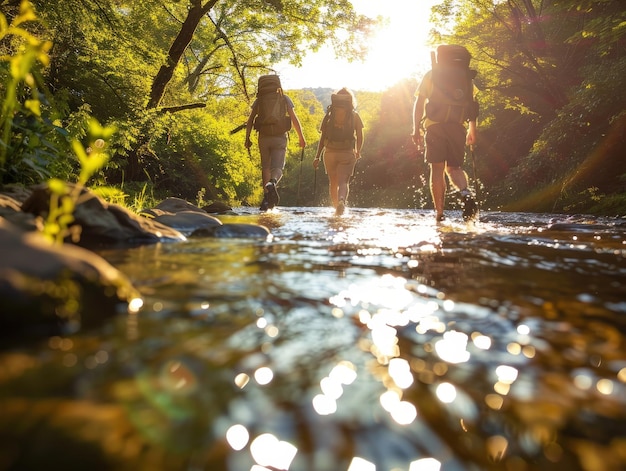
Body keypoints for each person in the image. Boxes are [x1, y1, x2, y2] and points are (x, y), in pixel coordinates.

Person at [411, 45, 478, 223]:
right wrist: (472, 130)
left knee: (437, 169)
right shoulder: (466, 78)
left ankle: (440, 213)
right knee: (454, 168)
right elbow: (472, 106)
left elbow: (419, 103)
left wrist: (415, 128)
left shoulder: (432, 74)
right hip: (458, 127)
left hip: (435, 126)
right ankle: (466, 193)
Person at [245, 75, 306, 211]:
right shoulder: (284, 99)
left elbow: (250, 121)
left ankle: (266, 199)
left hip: (264, 137)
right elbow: (294, 119)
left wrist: (247, 137)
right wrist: (301, 137)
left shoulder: (259, 101)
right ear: (278, 86)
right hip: (279, 137)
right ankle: (272, 182)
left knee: (265, 167)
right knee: (278, 167)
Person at [313, 87, 364, 216]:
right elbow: (360, 135)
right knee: (343, 181)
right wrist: (358, 150)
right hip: (347, 152)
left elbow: (323, 137)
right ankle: (341, 201)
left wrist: (317, 156)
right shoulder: (354, 116)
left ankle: (336, 207)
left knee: (333, 182)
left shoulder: (329, 115)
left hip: (330, 152)